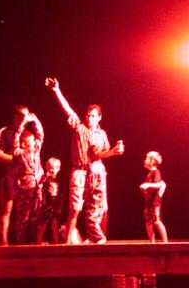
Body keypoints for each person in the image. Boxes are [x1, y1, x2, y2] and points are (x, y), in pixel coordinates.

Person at [45, 77, 124, 244]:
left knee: (97, 209)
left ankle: (96, 240)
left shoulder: (102, 134)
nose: (89, 117)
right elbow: (67, 109)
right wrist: (56, 90)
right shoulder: (79, 128)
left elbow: (102, 153)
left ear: (99, 118)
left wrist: (116, 151)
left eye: (93, 115)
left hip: (96, 171)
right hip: (80, 172)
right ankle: (66, 244)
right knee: (75, 209)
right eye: (88, 114)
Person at [0, 105, 29, 245]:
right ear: (16, 116)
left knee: (24, 211)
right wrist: (15, 158)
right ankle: (4, 242)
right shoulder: (5, 131)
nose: (24, 119)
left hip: (25, 176)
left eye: (26, 116)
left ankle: (22, 241)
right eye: (22, 115)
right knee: (7, 208)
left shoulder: (27, 133)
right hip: (10, 175)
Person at [11, 111, 44, 244]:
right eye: (30, 141)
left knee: (36, 215)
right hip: (24, 188)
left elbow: (40, 135)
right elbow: (15, 138)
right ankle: (21, 243)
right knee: (22, 217)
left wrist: (35, 120)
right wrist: (24, 123)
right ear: (24, 144)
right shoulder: (19, 152)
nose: (34, 142)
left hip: (36, 187)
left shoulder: (36, 150)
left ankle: (35, 242)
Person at [139, 151, 168, 243]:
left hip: (154, 203)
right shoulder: (149, 174)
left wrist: (147, 185)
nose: (145, 160)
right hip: (148, 203)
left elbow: (159, 184)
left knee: (156, 221)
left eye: (147, 158)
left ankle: (165, 242)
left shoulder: (155, 172)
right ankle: (152, 242)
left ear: (152, 161)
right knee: (148, 222)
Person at [35, 157, 63, 244]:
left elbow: (61, 194)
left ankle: (56, 243)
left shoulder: (59, 180)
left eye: (54, 168)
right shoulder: (45, 178)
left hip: (55, 205)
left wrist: (60, 207)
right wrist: (46, 175)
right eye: (49, 168)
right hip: (46, 205)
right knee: (43, 225)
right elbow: (40, 182)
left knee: (54, 225)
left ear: (58, 169)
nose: (52, 170)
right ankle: (38, 242)